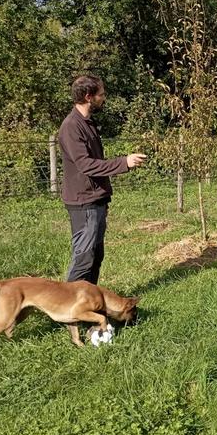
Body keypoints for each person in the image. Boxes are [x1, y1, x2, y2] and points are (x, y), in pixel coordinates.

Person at [58, 75, 146, 284]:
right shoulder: (72, 126)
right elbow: (86, 165)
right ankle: (68, 311)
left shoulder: (87, 123)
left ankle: (87, 304)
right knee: (84, 258)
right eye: (101, 94)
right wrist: (124, 163)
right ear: (89, 97)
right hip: (83, 202)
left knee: (95, 256)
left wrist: (103, 198)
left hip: (94, 199)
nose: (103, 98)